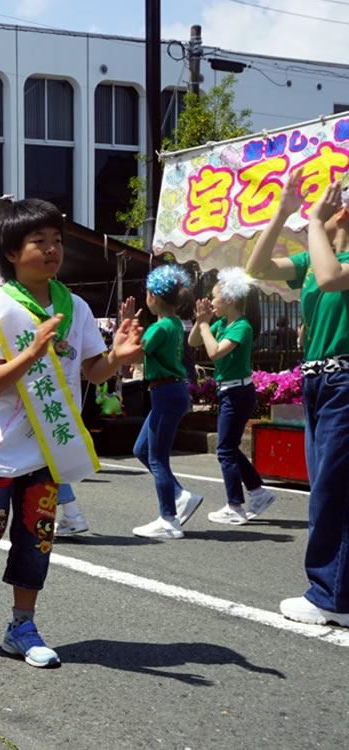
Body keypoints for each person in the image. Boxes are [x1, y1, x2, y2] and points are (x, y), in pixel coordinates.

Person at [0, 198, 143, 665]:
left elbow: (93, 371)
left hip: (47, 448)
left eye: (57, 240)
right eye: (39, 241)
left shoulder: (75, 307)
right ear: (12, 253)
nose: (52, 249)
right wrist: (33, 353)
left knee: (37, 537)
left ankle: (22, 625)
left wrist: (117, 359)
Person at [246, 169, 349, 627]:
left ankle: (331, 597)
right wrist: (282, 213)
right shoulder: (314, 258)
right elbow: (257, 270)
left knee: (333, 492)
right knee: (327, 489)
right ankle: (335, 592)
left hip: (343, 382)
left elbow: (330, 278)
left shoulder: (326, 262)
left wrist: (311, 223)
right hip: (318, 384)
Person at [188, 268, 277, 525]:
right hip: (230, 391)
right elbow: (194, 342)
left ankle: (235, 506)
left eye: (214, 296)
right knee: (229, 447)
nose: (210, 301)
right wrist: (201, 321)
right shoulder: (221, 323)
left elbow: (215, 352)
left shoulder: (241, 326)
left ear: (228, 299)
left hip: (238, 393)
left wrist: (205, 324)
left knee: (225, 450)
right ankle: (258, 493)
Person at [129, 266, 203, 540]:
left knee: (157, 458)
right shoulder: (174, 324)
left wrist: (128, 326)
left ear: (154, 297)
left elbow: (133, 355)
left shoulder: (160, 327)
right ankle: (180, 495)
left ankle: (169, 519)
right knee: (141, 449)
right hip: (172, 391)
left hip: (165, 392)